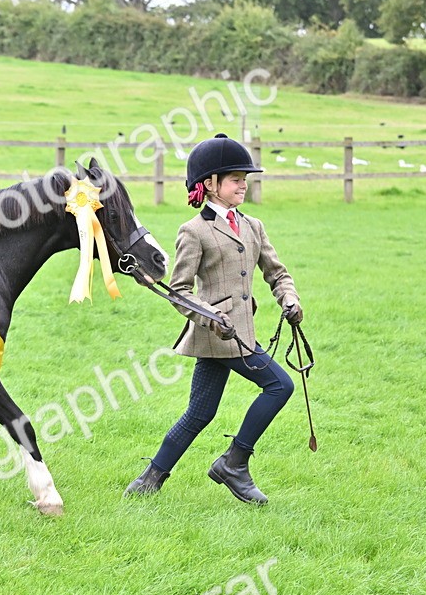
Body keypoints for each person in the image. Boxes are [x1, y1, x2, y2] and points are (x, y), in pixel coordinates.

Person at [125, 133, 300, 504]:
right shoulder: (194, 231)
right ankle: (234, 462)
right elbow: (179, 290)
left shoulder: (253, 226)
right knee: (280, 386)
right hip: (218, 333)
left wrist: (290, 299)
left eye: (244, 178)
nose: (243, 184)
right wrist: (212, 316)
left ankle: (150, 479)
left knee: (199, 413)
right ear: (210, 185)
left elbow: (276, 272)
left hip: (242, 333)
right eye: (235, 178)